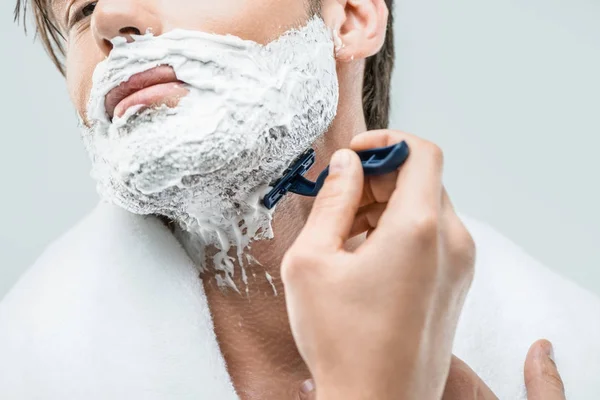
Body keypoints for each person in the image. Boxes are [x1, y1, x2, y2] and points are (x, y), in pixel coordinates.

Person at [1, 0, 598, 399]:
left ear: (349, 17)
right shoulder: (21, 371)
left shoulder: (577, 345)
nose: (110, 15)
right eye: (79, 8)